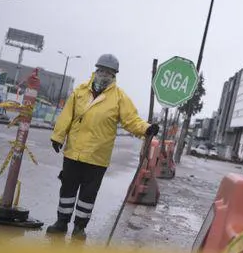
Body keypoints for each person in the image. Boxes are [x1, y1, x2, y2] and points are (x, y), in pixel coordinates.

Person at [47, 54, 159, 239]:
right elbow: (67, 115)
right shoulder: (80, 91)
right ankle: (61, 223)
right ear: (96, 70)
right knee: (67, 190)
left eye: (108, 72)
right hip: (73, 152)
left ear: (114, 75)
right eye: (101, 71)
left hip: (98, 157)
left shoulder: (119, 97)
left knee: (87, 196)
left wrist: (147, 128)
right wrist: (58, 136)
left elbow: (131, 120)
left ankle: (79, 228)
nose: (104, 75)